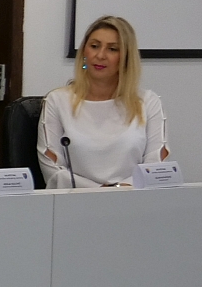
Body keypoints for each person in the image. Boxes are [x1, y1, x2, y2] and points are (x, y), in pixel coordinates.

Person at [38, 15, 168, 187]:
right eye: (94, 46)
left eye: (112, 49)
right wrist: (99, 192)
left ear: (126, 58)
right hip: (75, 199)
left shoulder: (148, 102)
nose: (100, 55)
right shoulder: (57, 101)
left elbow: (155, 166)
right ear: (84, 52)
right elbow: (53, 169)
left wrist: (121, 191)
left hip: (133, 198)